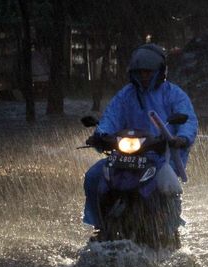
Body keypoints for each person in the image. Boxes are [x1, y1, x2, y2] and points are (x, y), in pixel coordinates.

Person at [83, 43, 198, 237]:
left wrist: (181, 138)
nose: (144, 77)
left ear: (159, 72)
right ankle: (100, 224)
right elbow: (111, 117)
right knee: (94, 176)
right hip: (124, 156)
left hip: (160, 156)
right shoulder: (125, 95)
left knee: (166, 186)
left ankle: (169, 230)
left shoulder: (174, 94)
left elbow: (189, 120)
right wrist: (100, 135)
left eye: (148, 72)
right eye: (140, 72)